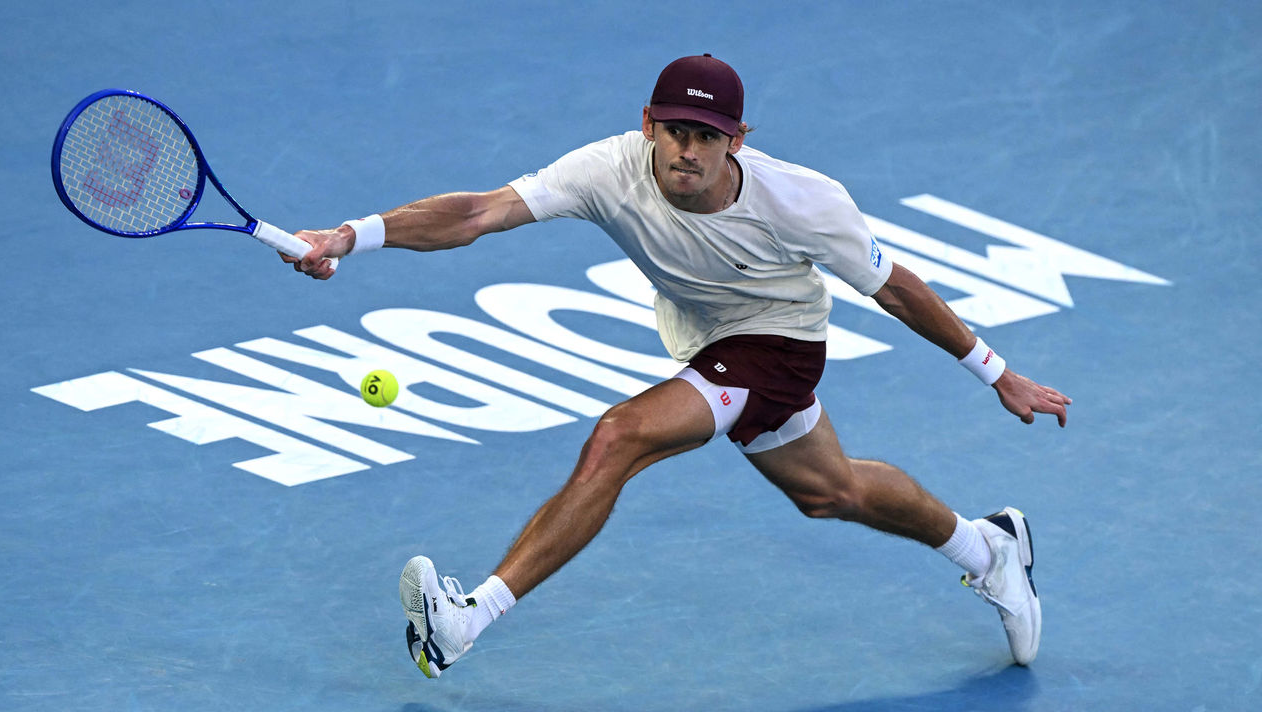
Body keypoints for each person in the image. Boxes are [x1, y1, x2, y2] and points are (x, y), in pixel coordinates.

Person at [285, 54, 1071, 676]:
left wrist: (996, 372)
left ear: (738, 140)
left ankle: (466, 620)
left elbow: (895, 288)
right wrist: (351, 235)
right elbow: (479, 211)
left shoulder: (804, 202)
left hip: (780, 342)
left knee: (619, 435)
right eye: (674, 131)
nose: (687, 150)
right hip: (705, 340)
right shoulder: (608, 170)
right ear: (647, 125)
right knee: (831, 492)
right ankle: (990, 547)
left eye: (706, 135)